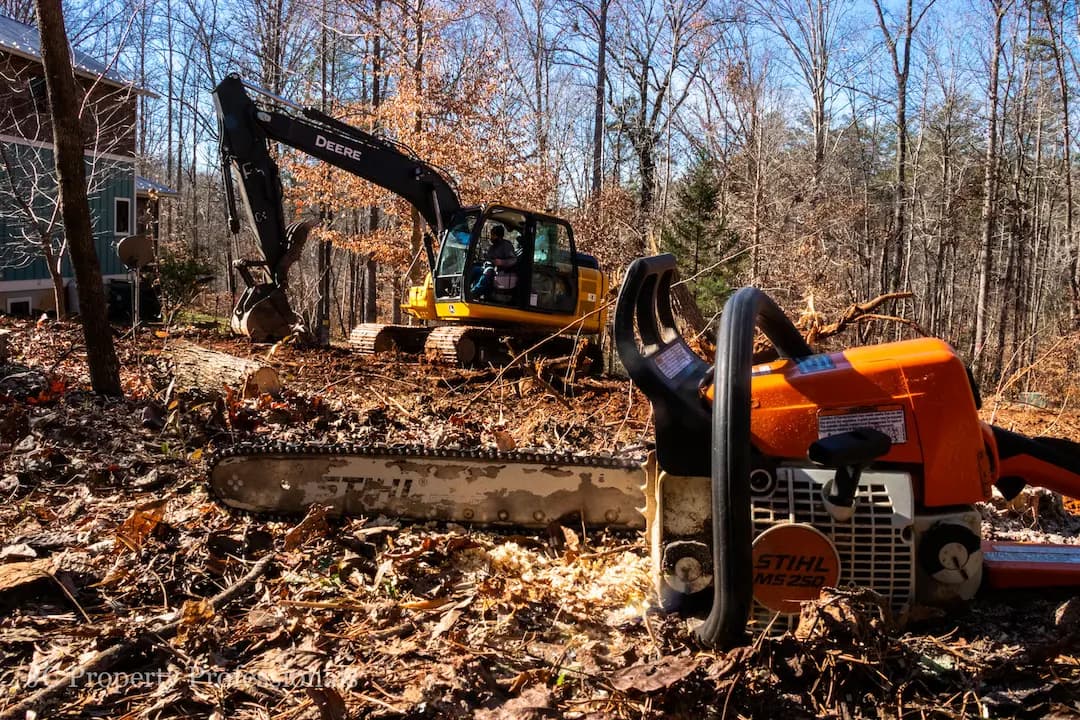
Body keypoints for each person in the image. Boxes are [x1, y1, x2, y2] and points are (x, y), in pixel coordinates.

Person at [471, 225, 518, 299]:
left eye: (493, 235)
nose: (491, 237)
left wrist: (501, 262)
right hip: (487, 266)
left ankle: (474, 293)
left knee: (488, 272)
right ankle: (464, 289)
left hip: (499, 271)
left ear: (498, 236)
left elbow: (513, 260)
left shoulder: (506, 245)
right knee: (474, 269)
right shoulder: (493, 246)